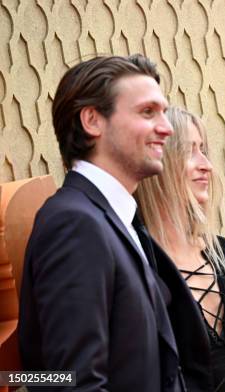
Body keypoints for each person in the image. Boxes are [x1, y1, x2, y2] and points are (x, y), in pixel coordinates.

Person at [18, 55, 191, 391]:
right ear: (92, 121)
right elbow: (70, 382)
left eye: (163, 112)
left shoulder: (115, 219)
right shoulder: (74, 223)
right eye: (147, 112)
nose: (166, 127)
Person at [134, 107, 225, 391]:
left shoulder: (221, 252)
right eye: (190, 152)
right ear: (156, 162)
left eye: (204, 150)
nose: (206, 165)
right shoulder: (136, 259)